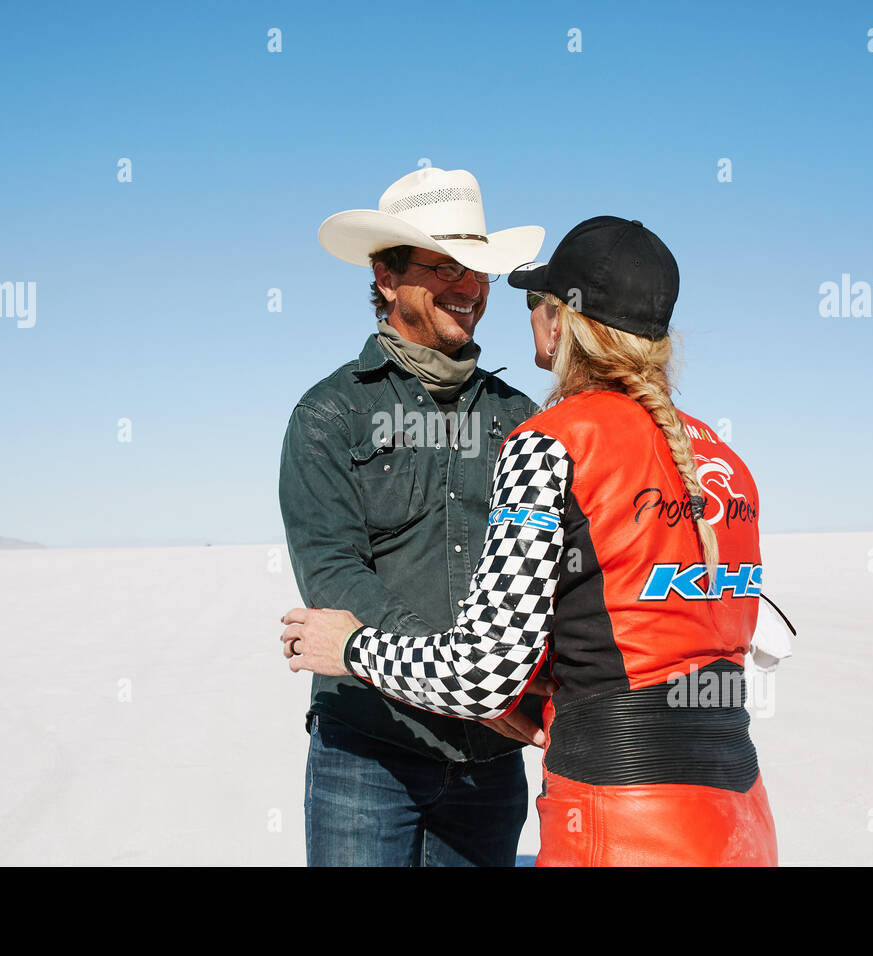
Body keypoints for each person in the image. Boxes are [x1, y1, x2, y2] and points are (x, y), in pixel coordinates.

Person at [282, 216, 780, 866]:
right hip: (735, 818)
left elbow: (489, 671)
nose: (478, 289)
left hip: (607, 815)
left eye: (536, 299)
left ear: (564, 319)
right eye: (445, 266)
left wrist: (350, 646)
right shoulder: (724, 460)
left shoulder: (547, 436)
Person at [278, 167, 550, 867]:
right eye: (446, 267)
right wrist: (465, 683)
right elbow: (334, 575)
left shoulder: (521, 418)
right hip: (369, 752)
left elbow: (551, 573)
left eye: (480, 271)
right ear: (387, 276)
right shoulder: (331, 413)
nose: (472, 288)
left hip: (491, 759)